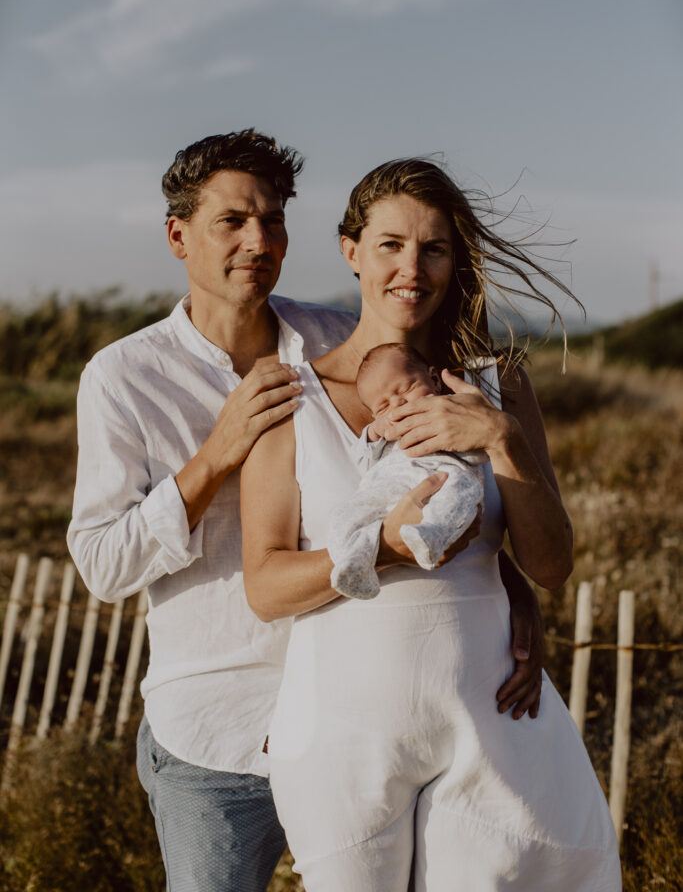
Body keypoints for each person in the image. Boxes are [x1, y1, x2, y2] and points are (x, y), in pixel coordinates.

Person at [66, 131, 544, 892]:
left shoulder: (336, 344)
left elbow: (410, 482)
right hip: (222, 735)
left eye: (275, 220)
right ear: (177, 235)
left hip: (362, 721)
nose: (259, 241)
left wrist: (509, 587)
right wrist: (216, 453)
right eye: (233, 221)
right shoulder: (123, 377)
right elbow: (102, 564)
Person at [240, 158, 621, 891]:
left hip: (490, 720)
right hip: (342, 734)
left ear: (455, 259)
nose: (410, 267)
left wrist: (499, 439)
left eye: (433, 247)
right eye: (390, 244)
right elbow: (265, 588)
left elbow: (551, 564)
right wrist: (380, 548)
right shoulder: (289, 399)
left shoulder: (496, 381)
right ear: (351, 251)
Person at [328, 342, 486, 599]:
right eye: (382, 406)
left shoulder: (450, 409)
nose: (398, 403)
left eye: (407, 388)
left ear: (434, 380)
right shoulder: (384, 435)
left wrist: (469, 425)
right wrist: (374, 433)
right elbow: (362, 461)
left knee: (465, 490)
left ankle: (432, 534)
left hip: (443, 477)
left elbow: (479, 453)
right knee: (344, 516)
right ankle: (355, 562)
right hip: (390, 485)